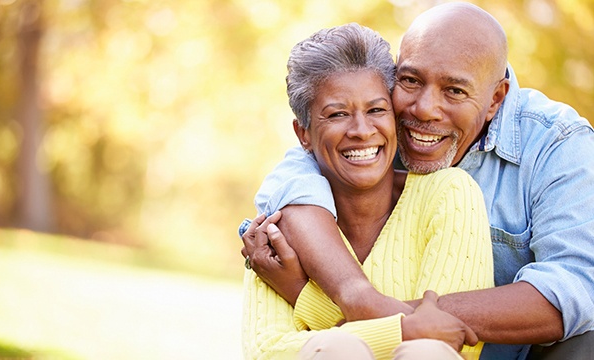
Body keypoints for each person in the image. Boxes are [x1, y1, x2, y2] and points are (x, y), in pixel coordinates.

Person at [240, 2, 594, 360]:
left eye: (454, 90)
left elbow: (575, 287)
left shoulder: (557, 144)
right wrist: (359, 300)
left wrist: (316, 296)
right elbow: (294, 176)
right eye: (410, 80)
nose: (424, 109)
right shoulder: (374, 127)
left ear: (495, 100)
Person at [241, 22, 495, 359]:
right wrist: (404, 330)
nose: (362, 130)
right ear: (303, 133)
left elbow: (447, 343)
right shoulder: (281, 223)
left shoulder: (448, 194)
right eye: (338, 114)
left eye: (376, 110)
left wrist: (303, 295)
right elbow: (269, 351)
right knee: (336, 349)